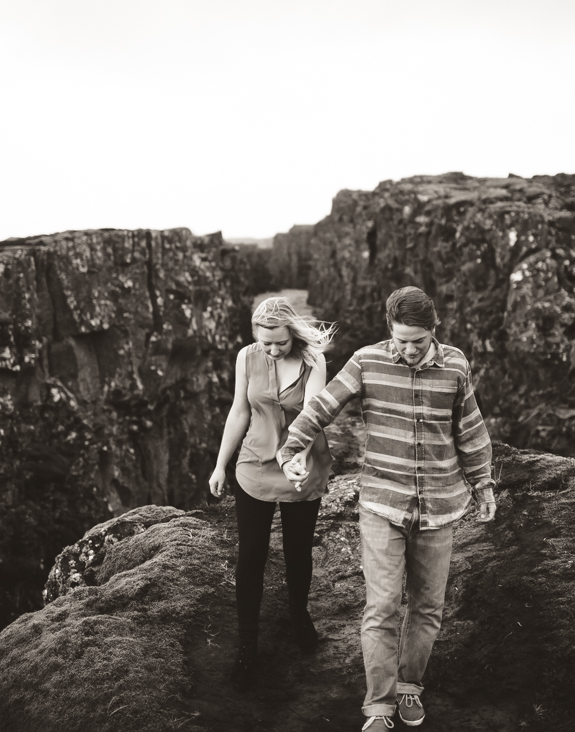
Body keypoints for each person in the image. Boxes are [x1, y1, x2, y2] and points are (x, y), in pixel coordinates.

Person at [278, 286, 496, 730]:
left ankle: (410, 687)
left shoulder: (455, 364)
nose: (410, 349)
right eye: (401, 340)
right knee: (381, 608)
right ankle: (378, 706)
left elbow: (470, 430)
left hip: (440, 505)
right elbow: (320, 407)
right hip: (382, 501)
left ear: (434, 332)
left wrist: (484, 484)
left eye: (418, 340)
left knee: (428, 607)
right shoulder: (367, 361)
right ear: (389, 331)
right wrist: (291, 450)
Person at [208, 296, 337, 689]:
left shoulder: (315, 360)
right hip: (254, 465)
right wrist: (220, 464)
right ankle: (248, 645)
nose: (272, 350)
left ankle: (298, 613)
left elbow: (314, 412)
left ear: (293, 333)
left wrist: (291, 455)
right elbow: (239, 411)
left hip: (301, 464)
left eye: (279, 342)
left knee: (299, 552)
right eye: (265, 343)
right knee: (251, 556)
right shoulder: (246, 357)